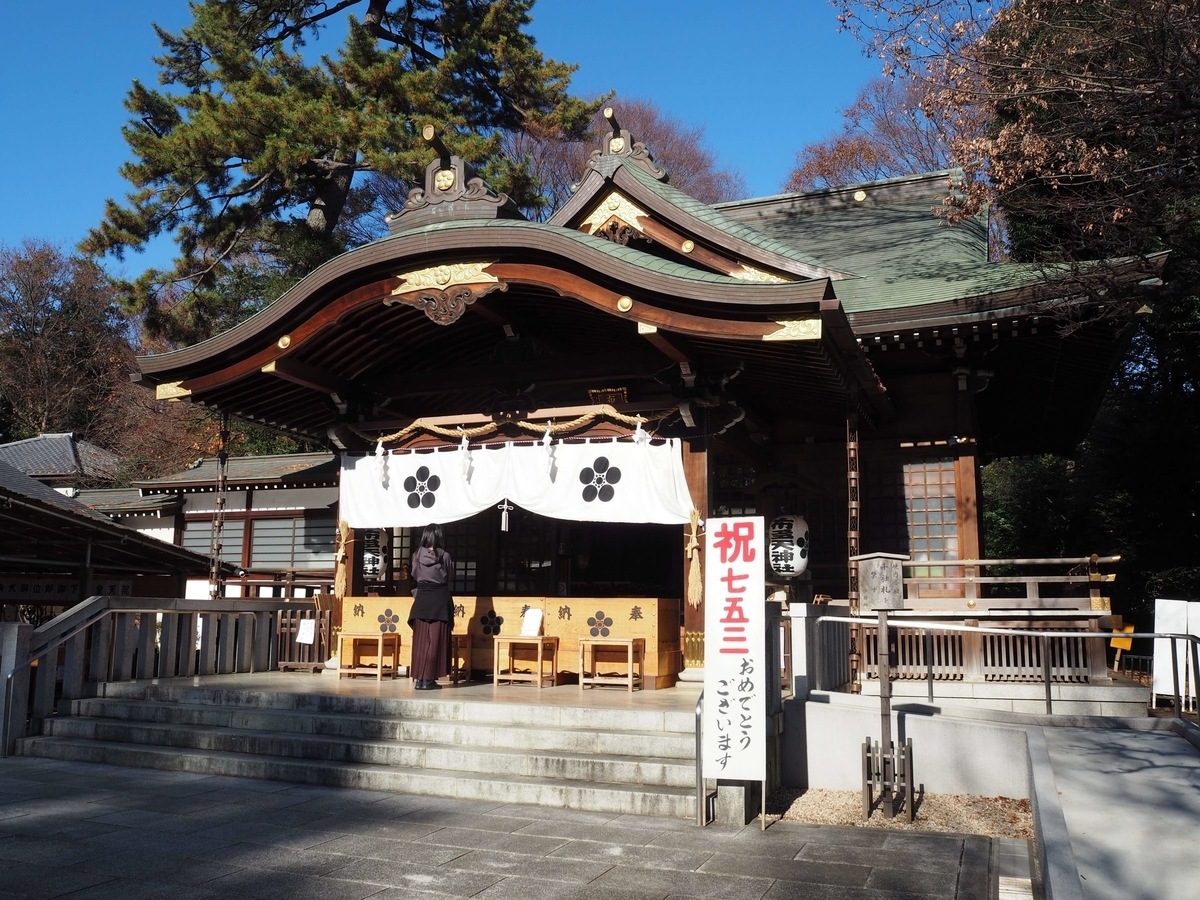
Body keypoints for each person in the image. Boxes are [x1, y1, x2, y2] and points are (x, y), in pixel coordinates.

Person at [408, 523, 453, 690]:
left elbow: (413, 574)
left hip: (421, 599)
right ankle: (429, 679)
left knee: (421, 641)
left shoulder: (416, 555)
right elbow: (449, 576)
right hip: (439, 600)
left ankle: (420, 679)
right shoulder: (445, 556)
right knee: (435, 641)